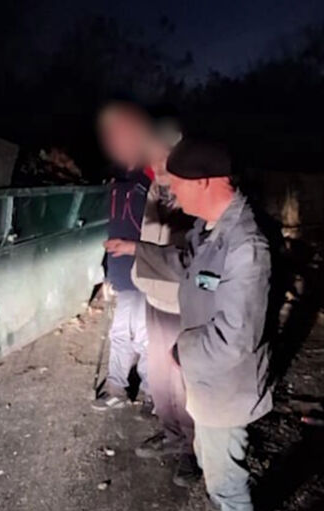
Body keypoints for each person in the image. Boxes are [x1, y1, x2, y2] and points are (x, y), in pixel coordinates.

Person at [109, 138, 272, 511]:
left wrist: (182, 349)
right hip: (205, 374)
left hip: (227, 383)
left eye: (178, 185)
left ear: (205, 182)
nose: (174, 196)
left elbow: (236, 338)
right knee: (209, 459)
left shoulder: (246, 248)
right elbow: (185, 264)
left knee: (228, 479)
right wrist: (136, 248)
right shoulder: (211, 229)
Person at [130, 126, 200, 487]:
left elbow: (188, 255)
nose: (155, 162)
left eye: (162, 155)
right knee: (159, 376)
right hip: (155, 295)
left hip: (179, 299)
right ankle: (171, 434)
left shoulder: (190, 195)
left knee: (183, 378)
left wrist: (136, 254)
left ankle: (191, 448)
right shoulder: (155, 190)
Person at [92, 102, 151, 410]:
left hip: (146, 269)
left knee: (144, 334)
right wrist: (104, 269)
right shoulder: (114, 181)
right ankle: (117, 387)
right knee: (119, 331)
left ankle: (154, 391)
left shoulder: (151, 178)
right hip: (120, 269)